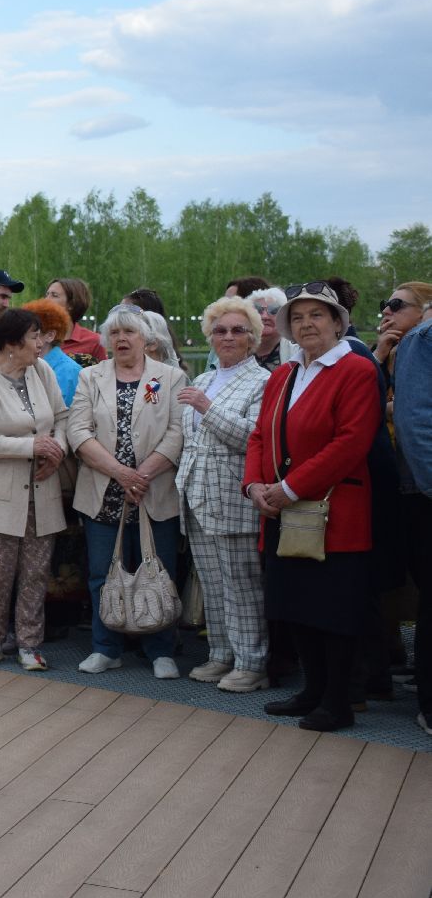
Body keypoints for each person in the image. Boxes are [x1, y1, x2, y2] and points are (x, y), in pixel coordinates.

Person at [244, 282, 382, 732]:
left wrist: (289, 487)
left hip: (333, 510)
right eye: (298, 317)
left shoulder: (356, 370)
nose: (306, 324)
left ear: (338, 323)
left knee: (332, 609)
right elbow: (260, 435)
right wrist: (254, 487)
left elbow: (351, 443)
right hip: (281, 509)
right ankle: (311, 691)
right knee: (296, 605)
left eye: (317, 315)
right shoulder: (283, 375)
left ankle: (338, 700)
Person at [69, 303, 189, 678]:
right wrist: (122, 474)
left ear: (146, 339)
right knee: (103, 574)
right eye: (115, 333)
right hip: (104, 491)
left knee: (158, 569)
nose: (122, 339)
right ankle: (107, 648)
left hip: (154, 493)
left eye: (130, 332)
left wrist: (143, 474)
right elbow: (78, 431)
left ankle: (160, 651)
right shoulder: (91, 377)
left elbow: (177, 431)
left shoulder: (169, 377)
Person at [0, 308, 69, 670]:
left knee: (36, 572)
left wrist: (58, 450)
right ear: (10, 344)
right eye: (35, 337)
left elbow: (63, 417)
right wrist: (30, 447)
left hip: (41, 491)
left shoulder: (42, 370)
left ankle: (29, 644)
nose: (41, 343)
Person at [176, 296, 272, 692]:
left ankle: (253, 663)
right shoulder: (203, 378)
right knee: (211, 583)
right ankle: (221, 655)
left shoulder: (264, 381)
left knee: (241, 583)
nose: (227, 337)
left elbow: (254, 438)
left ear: (253, 338)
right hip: (197, 495)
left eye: (237, 330)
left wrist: (207, 407)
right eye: (220, 330)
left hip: (234, 497)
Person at [387, 290, 432, 738]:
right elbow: (416, 421)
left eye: (395, 303)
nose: (387, 311)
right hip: (423, 492)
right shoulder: (424, 339)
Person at [21, 298, 80, 406]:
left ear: (50, 336)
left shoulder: (68, 371)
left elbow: (60, 415)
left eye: (33, 334)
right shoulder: (26, 364)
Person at [46, 277, 106, 366]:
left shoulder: (94, 341)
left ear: (71, 304)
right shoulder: (37, 338)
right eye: (47, 295)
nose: (46, 300)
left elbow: (103, 377)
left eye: (54, 295)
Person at [245, 287, 297, 371]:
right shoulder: (236, 348)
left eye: (273, 310)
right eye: (258, 310)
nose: (264, 316)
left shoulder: (297, 352)